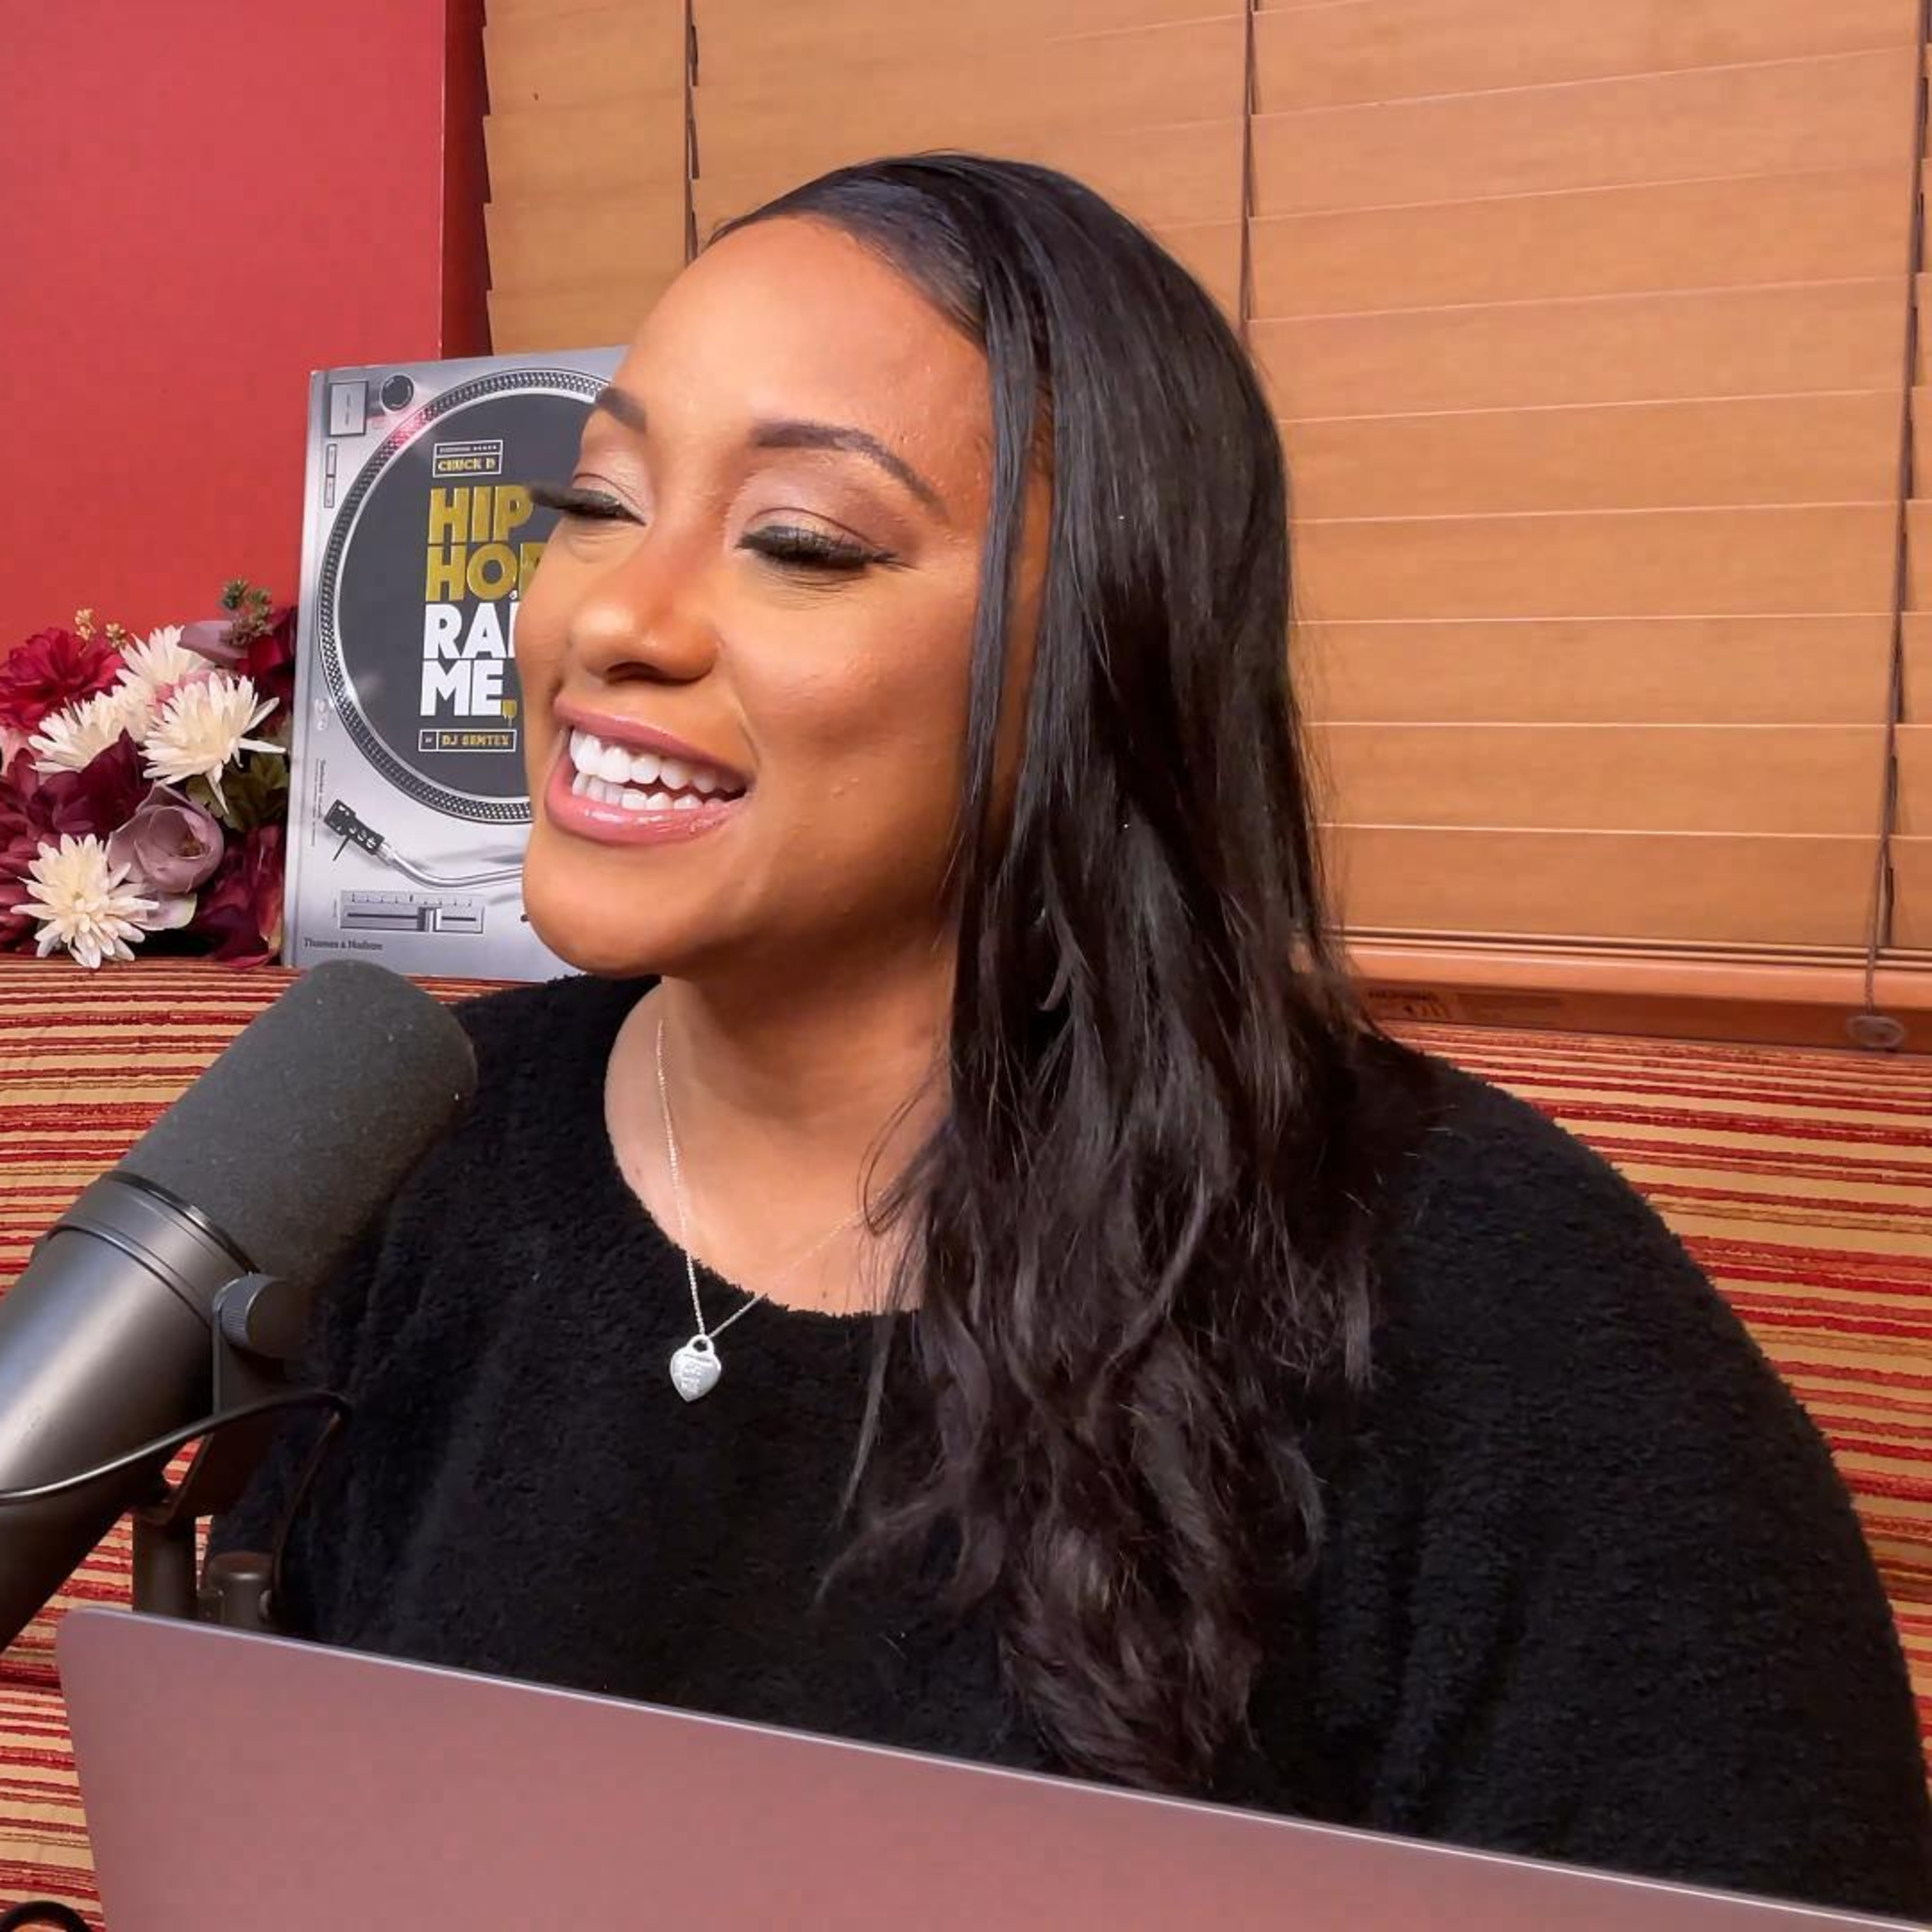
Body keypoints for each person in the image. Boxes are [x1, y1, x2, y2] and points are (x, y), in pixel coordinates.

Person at [215, 155, 1931, 1917]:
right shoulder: (408, 1150)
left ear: (1101, 657)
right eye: (594, 503)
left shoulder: (1485, 1293)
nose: (609, 621)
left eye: (800, 542)